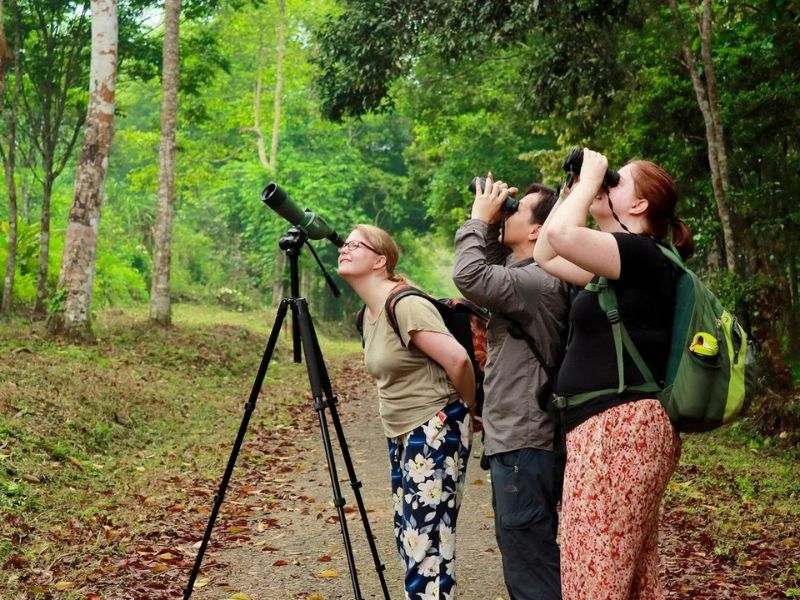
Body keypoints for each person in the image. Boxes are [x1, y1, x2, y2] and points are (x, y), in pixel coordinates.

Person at [533, 149, 694, 599]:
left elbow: (561, 235)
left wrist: (589, 182)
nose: (605, 183)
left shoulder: (642, 254)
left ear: (640, 206)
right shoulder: (621, 267)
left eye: (617, 182)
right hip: (613, 431)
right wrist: (575, 190)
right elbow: (547, 250)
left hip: (619, 432)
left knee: (594, 574)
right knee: (629, 577)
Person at [337, 223, 475, 600]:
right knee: (410, 536)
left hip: (433, 426)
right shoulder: (368, 313)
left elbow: (459, 361)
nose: (344, 249)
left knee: (426, 546)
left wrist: (462, 411)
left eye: (355, 245)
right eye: (344, 244)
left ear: (380, 260)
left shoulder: (406, 304)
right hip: (401, 432)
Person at [452, 174, 570, 600]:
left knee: (529, 564)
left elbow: (468, 273)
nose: (507, 215)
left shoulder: (535, 282)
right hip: (524, 437)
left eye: (517, 212)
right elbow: (490, 261)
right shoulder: (526, 271)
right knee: (527, 552)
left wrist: (479, 220)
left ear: (538, 231)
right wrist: (496, 215)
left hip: (524, 440)